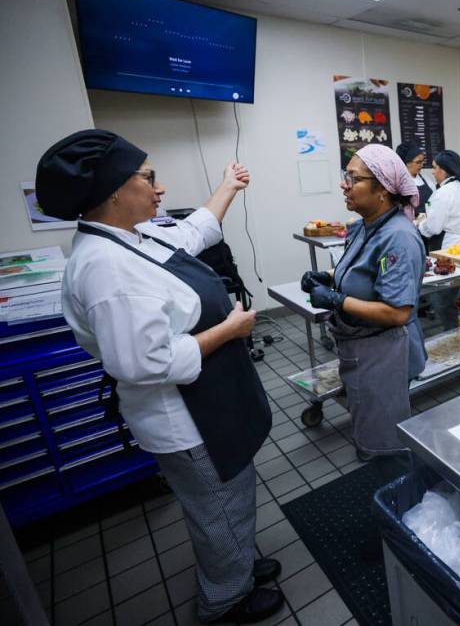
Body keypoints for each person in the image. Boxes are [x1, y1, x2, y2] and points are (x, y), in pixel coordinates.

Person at [35, 130, 283, 623]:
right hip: (185, 418)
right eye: (148, 177)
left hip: (208, 401)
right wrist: (230, 330)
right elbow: (143, 364)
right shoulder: (107, 268)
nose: (159, 188)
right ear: (113, 191)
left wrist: (228, 187)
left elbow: (192, 233)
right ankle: (223, 601)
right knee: (216, 508)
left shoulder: (129, 237)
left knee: (231, 496)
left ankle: (236, 567)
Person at [302, 144, 426, 461]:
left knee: (383, 436)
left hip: (384, 352)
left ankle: (389, 472)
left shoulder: (397, 236)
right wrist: (328, 276)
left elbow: (398, 312)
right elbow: (362, 268)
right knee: (367, 416)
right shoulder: (367, 225)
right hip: (363, 349)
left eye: (353, 178)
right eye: (346, 176)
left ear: (382, 188)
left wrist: (336, 300)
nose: (344, 184)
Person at [417, 150, 460, 330]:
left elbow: (433, 228)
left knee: (442, 300)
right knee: (453, 296)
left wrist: (418, 225)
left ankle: (453, 335)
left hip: (447, 248)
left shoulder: (442, 193)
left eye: (435, 168)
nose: (432, 172)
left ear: (444, 170)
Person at [396, 139, 434, 212]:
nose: (421, 165)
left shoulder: (426, 179)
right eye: (418, 162)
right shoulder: (400, 183)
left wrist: (429, 208)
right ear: (407, 163)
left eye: (422, 161)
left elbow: (431, 201)